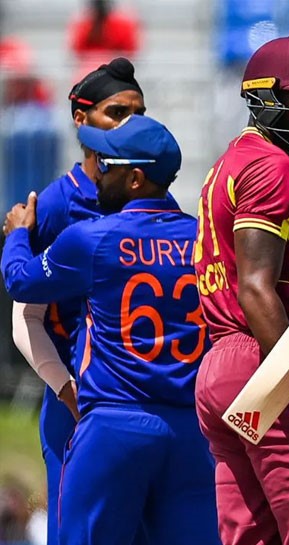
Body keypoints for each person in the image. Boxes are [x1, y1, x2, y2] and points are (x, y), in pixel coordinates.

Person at [1, 114, 218, 545]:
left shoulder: (92, 238)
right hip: (192, 435)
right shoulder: (203, 239)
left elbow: (21, 279)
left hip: (115, 429)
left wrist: (17, 235)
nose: (96, 170)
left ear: (136, 178)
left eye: (108, 163)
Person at [192, 36, 289, 545]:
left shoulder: (227, 163)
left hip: (220, 368)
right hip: (260, 360)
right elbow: (255, 288)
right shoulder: (272, 165)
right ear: (267, 98)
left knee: (249, 535)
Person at [6, 57, 144, 545]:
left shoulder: (146, 195)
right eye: (117, 112)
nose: (131, 123)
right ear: (81, 120)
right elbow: (26, 318)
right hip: (77, 402)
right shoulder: (57, 206)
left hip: (142, 400)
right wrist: (70, 394)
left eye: (138, 112)